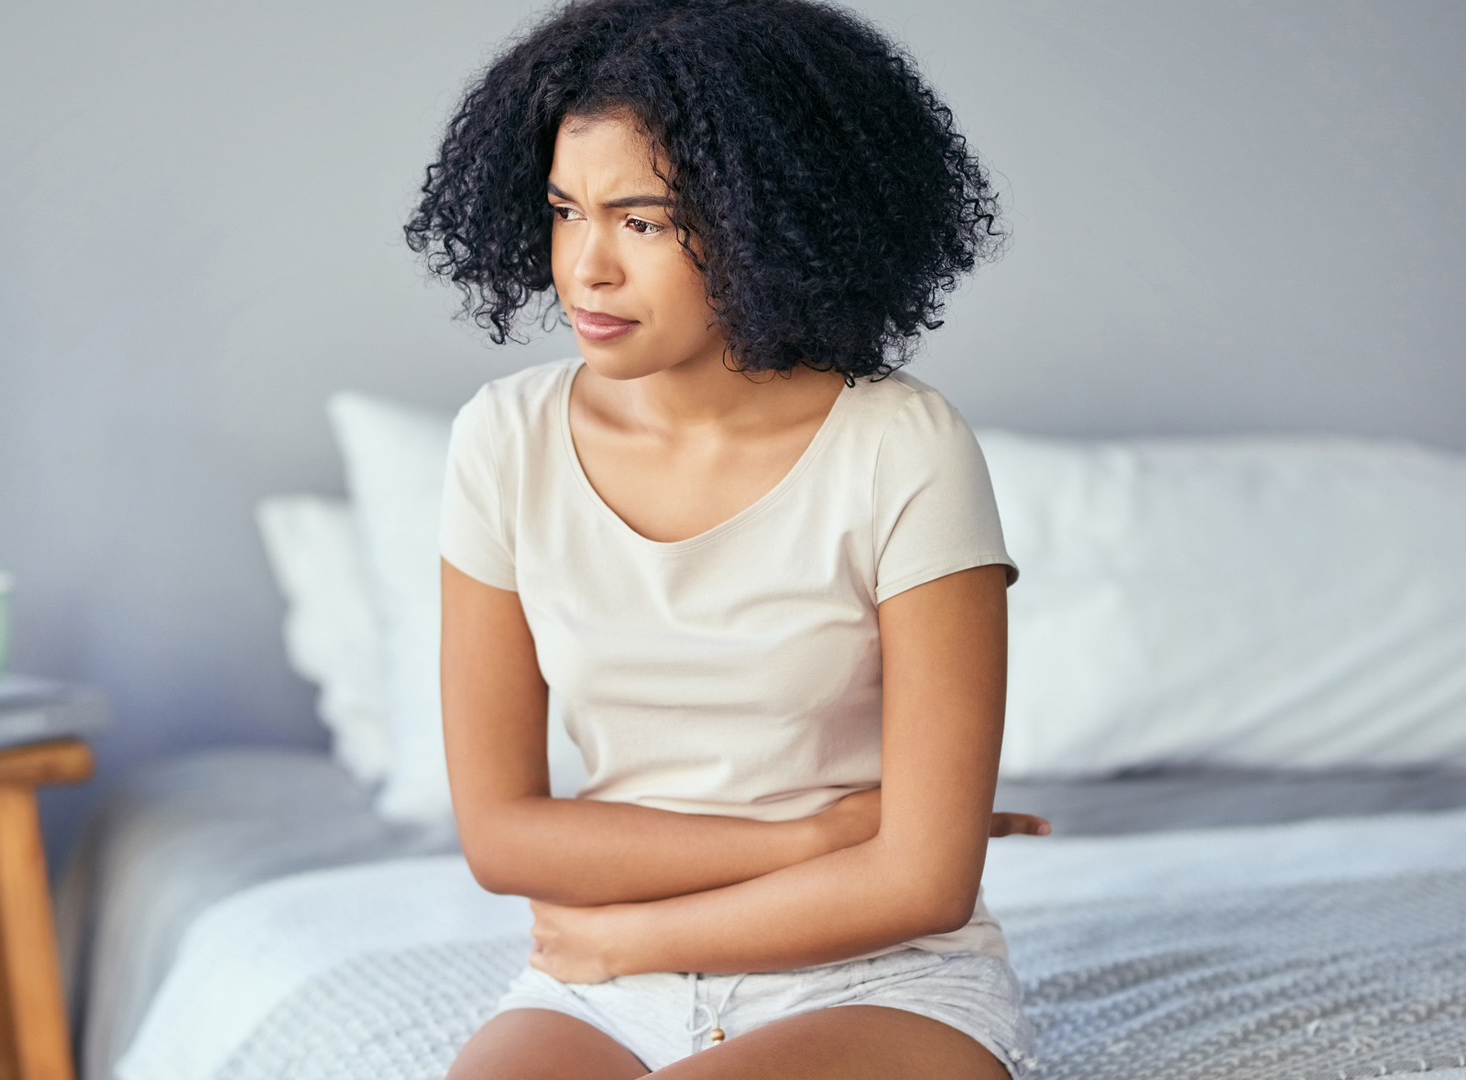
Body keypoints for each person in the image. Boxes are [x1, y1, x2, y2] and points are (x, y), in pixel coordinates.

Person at [407, 1, 1045, 1076]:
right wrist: (810, 836)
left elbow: (921, 882)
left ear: (771, 223)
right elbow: (504, 836)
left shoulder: (901, 446)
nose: (587, 268)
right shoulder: (503, 439)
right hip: (598, 993)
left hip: (876, 974)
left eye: (643, 221)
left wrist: (629, 935)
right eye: (568, 212)